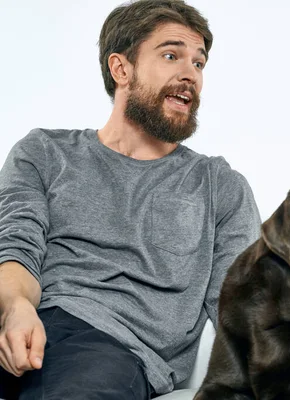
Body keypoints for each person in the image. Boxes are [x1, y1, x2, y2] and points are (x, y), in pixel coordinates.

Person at [0, 0, 261, 398]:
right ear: (121, 68)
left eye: (198, 63)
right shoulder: (44, 152)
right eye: (171, 55)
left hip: (113, 347)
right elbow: (15, 246)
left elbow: (244, 304)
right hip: (20, 315)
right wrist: (15, 307)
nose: (189, 74)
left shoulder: (218, 186)